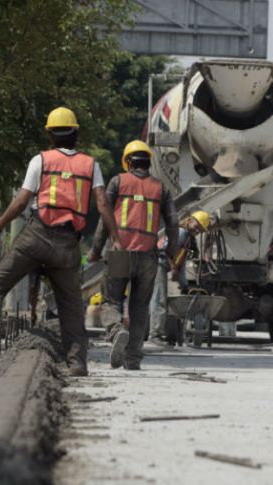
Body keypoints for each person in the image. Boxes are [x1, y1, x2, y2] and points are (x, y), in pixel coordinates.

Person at [0, 107, 122, 376]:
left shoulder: (41, 160)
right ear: (76, 134)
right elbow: (103, 203)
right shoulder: (90, 165)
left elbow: (21, 201)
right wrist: (115, 239)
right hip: (67, 245)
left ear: (50, 135)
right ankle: (77, 362)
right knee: (71, 306)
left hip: (36, 236)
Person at [87, 140, 178, 370]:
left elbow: (105, 218)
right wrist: (170, 252)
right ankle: (133, 359)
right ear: (148, 163)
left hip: (120, 253)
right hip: (148, 257)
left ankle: (116, 330)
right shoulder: (161, 188)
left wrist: (96, 250)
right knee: (139, 307)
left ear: (128, 163)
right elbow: (173, 222)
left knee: (110, 301)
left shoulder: (118, 181)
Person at [147, 210, 210, 345]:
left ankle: (159, 333)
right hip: (156, 264)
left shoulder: (187, 239)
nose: (197, 231)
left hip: (162, 266)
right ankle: (154, 335)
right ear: (190, 220)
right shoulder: (180, 232)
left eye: (200, 230)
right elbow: (162, 251)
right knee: (159, 300)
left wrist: (185, 285)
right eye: (197, 226)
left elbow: (180, 266)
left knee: (160, 300)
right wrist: (173, 268)